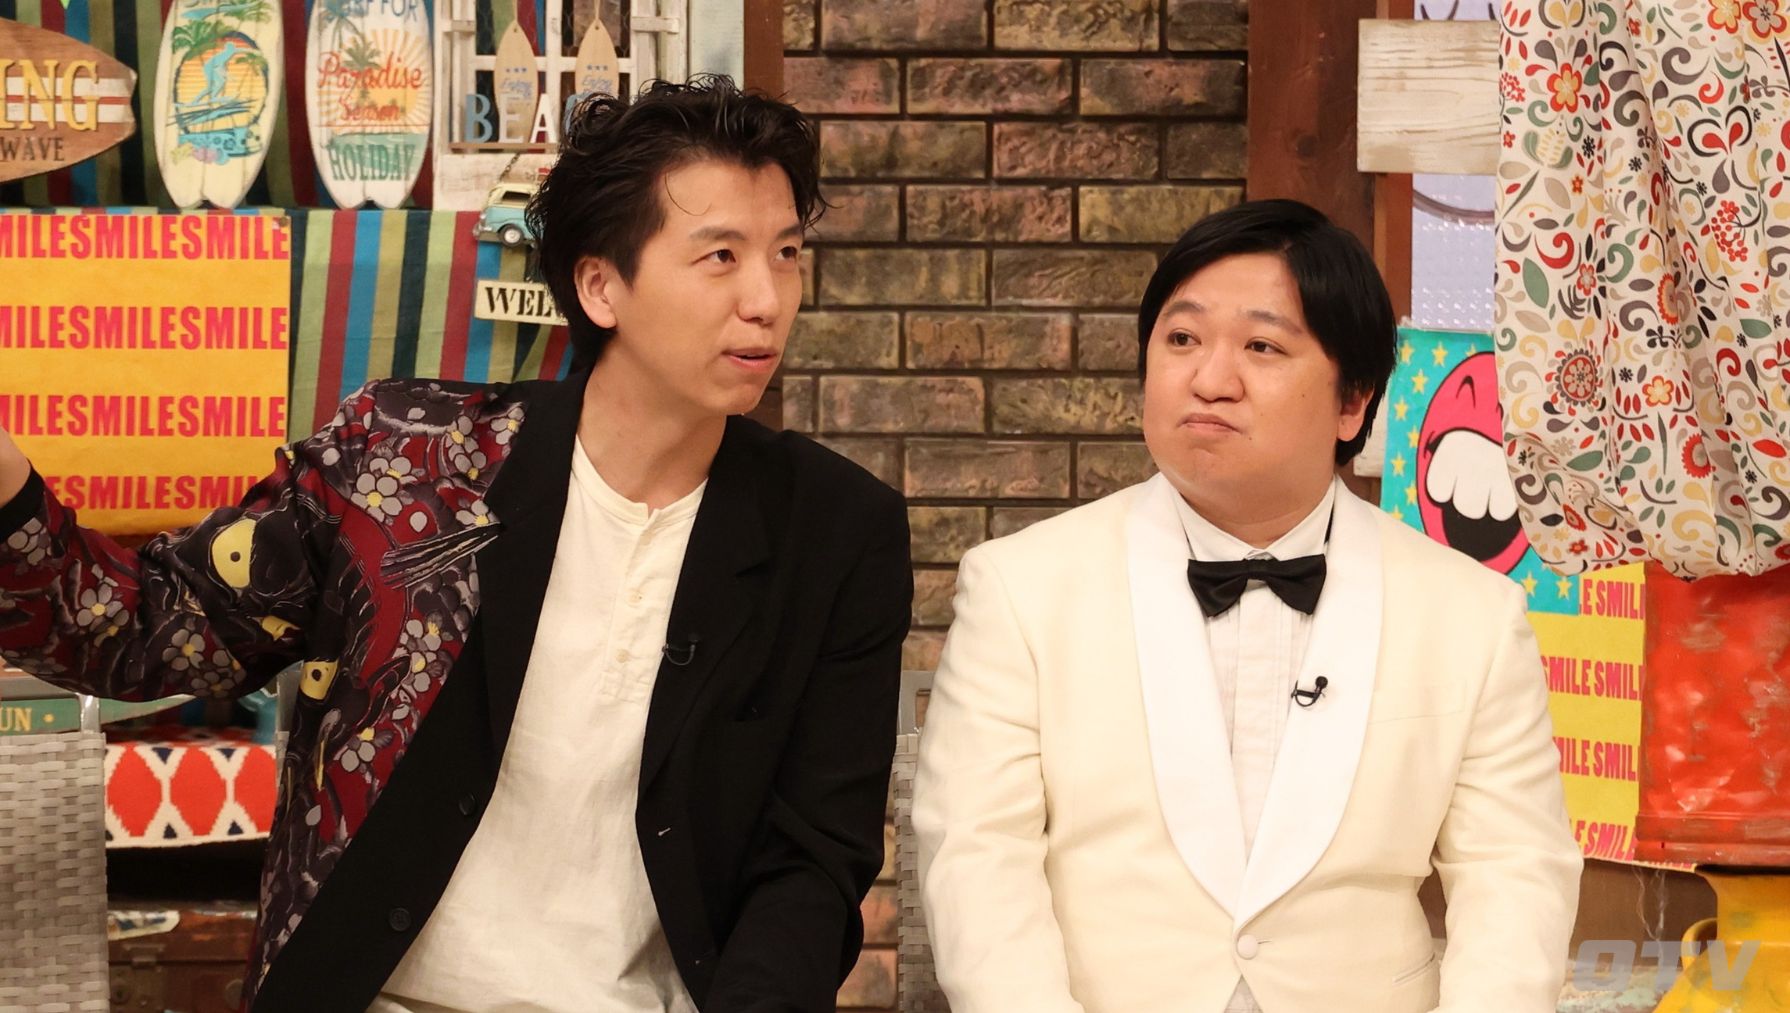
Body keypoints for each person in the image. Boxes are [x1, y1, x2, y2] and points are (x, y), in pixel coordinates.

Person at [0, 76, 912, 1013]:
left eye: (787, 253)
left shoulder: (837, 535)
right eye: (721, 256)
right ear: (601, 285)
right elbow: (140, 630)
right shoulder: (406, 463)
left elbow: (812, 862)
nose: (767, 298)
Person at [912, 199, 1581, 1013]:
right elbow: (977, 860)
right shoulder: (1020, 588)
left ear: (1353, 399)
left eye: (1262, 347)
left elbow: (1516, 876)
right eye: (1181, 339)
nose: (1210, 380)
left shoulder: (1472, 614)